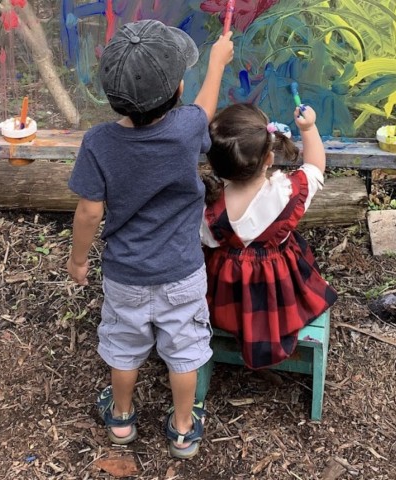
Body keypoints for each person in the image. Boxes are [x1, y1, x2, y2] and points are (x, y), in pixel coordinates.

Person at [66, 19, 234, 459]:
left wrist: (79, 260)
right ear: (178, 88)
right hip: (182, 271)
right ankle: (182, 429)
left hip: (126, 275)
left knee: (123, 347)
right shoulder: (186, 131)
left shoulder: (99, 142)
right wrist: (217, 61)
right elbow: (206, 106)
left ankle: (121, 419)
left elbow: (89, 211)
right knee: (184, 349)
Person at [201, 103, 338, 370]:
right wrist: (308, 128)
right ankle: (273, 324)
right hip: (280, 284)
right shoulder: (287, 191)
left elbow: (206, 241)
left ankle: (234, 323)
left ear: (215, 163)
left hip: (229, 293)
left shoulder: (208, 211)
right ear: (269, 158)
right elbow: (315, 167)